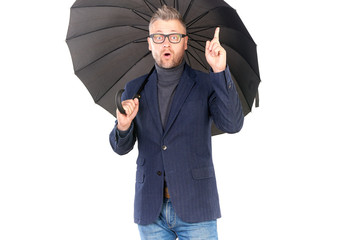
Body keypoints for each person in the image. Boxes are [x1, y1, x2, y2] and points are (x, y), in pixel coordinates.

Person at [109, 5, 244, 240]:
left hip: (197, 206)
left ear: (185, 42)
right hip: (151, 210)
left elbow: (232, 124)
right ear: (150, 42)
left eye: (173, 36)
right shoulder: (134, 88)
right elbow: (120, 148)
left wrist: (219, 70)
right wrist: (123, 125)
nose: (166, 43)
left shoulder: (206, 83)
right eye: (159, 37)